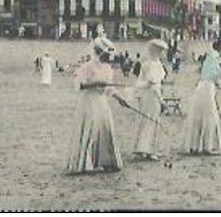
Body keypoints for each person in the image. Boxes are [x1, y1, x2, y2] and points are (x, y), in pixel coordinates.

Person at [66, 37, 126, 174]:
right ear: (100, 53)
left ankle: (106, 161)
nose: (109, 57)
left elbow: (109, 88)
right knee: (91, 129)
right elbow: (79, 85)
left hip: (101, 102)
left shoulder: (107, 68)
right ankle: (86, 163)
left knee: (105, 128)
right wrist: (94, 84)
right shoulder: (88, 66)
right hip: (89, 101)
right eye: (106, 54)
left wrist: (120, 99)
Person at [183, 36, 221, 155]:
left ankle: (196, 145)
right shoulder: (213, 57)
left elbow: (210, 74)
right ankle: (207, 147)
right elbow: (212, 75)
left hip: (204, 88)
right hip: (206, 89)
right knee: (209, 116)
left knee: (200, 116)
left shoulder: (212, 57)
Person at [133, 39, 168, 161]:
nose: (164, 54)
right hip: (152, 96)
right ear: (158, 52)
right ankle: (149, 150)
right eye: (162, 51)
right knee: (152, 121)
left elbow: (140, 82)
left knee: (145, 120)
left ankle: (143, 148)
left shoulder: (148, 64)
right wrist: (162, 101)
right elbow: (154, 86)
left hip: (145, 96)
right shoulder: (153, 65)